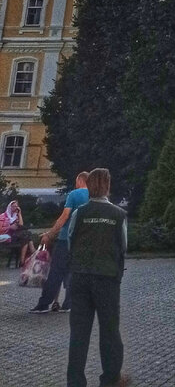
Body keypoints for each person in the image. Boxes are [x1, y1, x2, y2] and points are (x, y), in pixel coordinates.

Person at [66, 166, 129, 387]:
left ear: (89, 186)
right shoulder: (119, 215)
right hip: (107, 277)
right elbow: (123, 246)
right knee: (110, 331)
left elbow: (71, 239)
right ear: (108, 186)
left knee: (79, 334)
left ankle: (75, 382)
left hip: (81, 275)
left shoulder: (79, 212)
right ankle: (110, 380)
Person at [30, 171, 90, 313]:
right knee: (73, 272)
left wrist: (50, 235)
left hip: (66, 239)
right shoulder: (93, 196)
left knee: (55, 272)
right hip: (83, 240)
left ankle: (44, 304)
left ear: (80, 180)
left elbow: (64, 217)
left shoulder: (74, 195)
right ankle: (68, 304)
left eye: (76, 181)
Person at [2, 199, 35, 268]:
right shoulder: (3, 216)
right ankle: (34, 254)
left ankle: (22, 261)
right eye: (13, 206)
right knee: (27, 235)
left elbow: (21, 225)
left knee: (26, 236)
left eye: (16, 206)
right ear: (9, 207)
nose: (15, 208)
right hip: (8, 236)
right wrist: (9, 227)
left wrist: (19, 214)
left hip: (18, 236)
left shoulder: (16, 216)